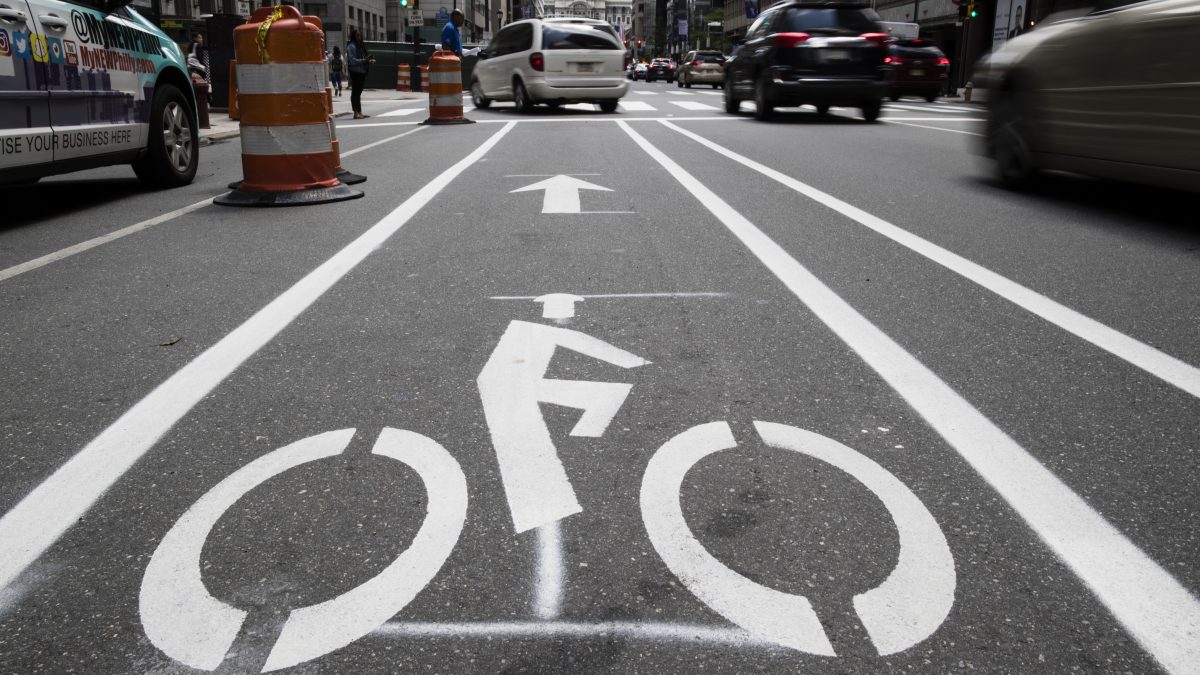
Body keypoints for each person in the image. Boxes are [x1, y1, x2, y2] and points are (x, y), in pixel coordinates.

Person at [346, 29, 374, 119]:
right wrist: (364, 60)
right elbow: (353, 61)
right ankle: (355, 112)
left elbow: (363, 58)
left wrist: (369, 61)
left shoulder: (360, 46)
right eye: (357, 35)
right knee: (355, 92)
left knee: (358, 93)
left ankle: (359, 112)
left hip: (362, 71)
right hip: (355, 72)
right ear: (353, 36)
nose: (359, 37)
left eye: (360, 35)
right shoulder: (351, 46)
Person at [188, 32, 211, 104]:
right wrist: (203, 66)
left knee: (194, 83)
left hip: (191, 66)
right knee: (203, 83)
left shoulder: (190, 45)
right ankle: (208, 100)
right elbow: (200, 56)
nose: (202, 39)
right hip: (198, 67)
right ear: (195, 38)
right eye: (200, 37)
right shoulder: (198, 45)